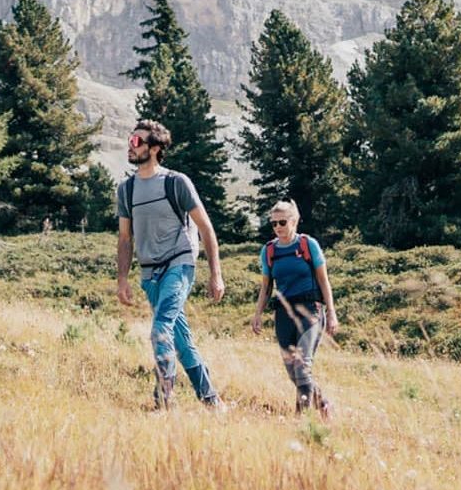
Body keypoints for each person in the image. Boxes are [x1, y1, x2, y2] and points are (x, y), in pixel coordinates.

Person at [116, 119, 227, 409]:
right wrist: (122, 280)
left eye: (137, 141)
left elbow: (206, 229)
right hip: (149, 272)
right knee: (180, 340)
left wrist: (216, 274)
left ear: (153, 148)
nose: (131, 145)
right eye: (130, 140)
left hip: (179, 264)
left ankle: (164, 401)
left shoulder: (176, 182)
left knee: (160, 329)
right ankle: (212, 401)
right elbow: (125, 239)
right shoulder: (126, 190)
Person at [249, 200, 338, 416]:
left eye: (282, 222)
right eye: (274, 223)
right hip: (284, 314)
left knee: (301, 365)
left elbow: (324, 281)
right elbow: (266, 287)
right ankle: (323, 403)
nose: (278, 227)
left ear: (294, 221)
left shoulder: (308, 245)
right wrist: (257, 314)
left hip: (311, 310)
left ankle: (301, 421)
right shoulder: (269, 251)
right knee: (293, 371)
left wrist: (332, 313)